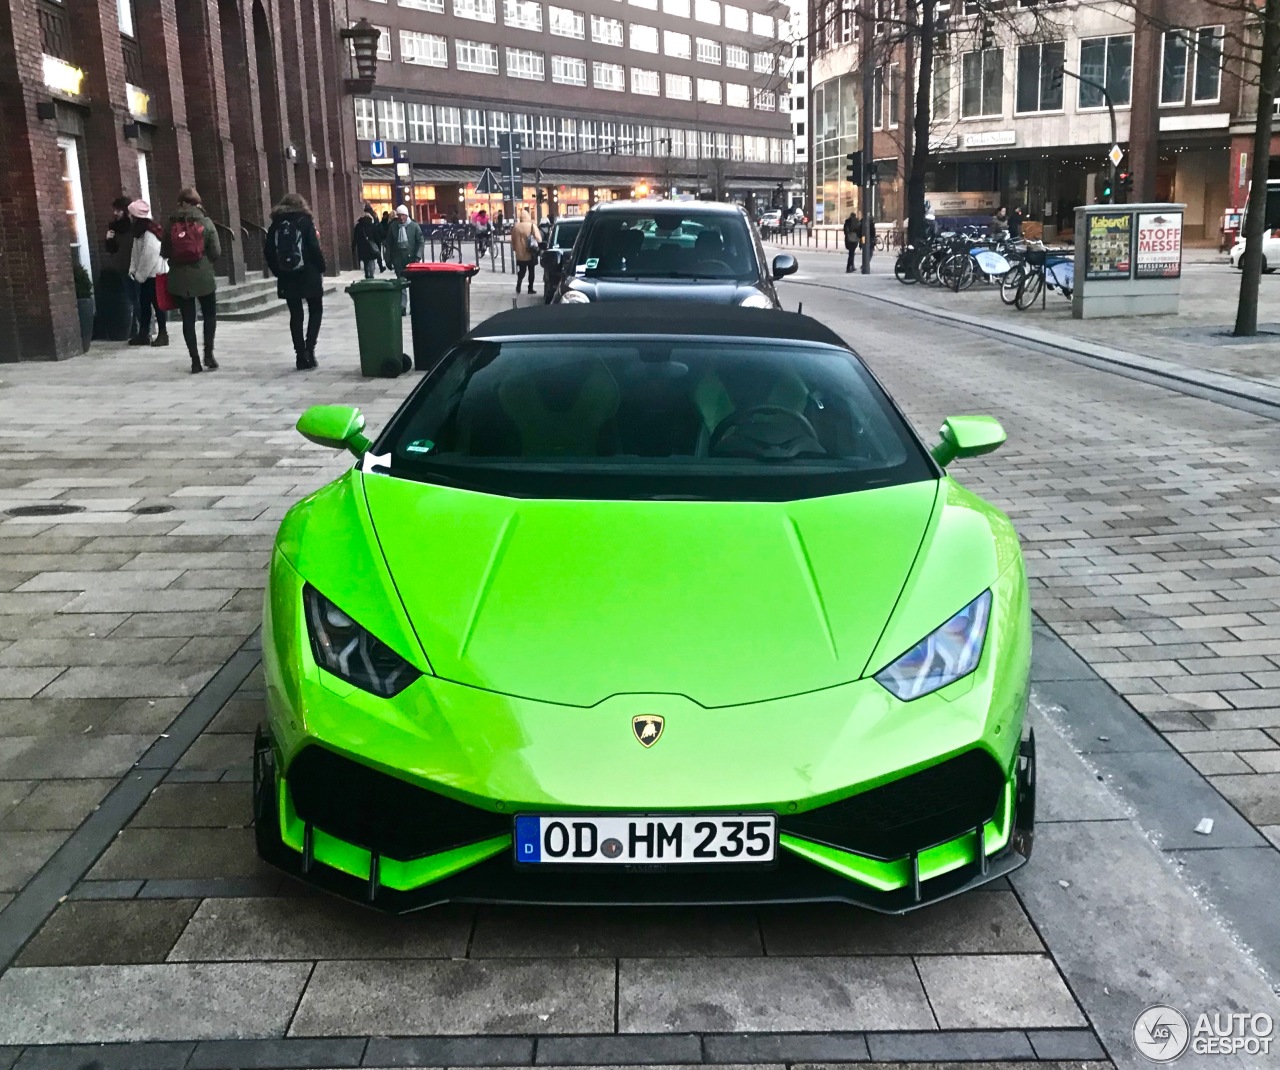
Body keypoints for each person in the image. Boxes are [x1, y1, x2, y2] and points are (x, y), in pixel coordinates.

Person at [265, 192, 328, 370]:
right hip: (309, 273)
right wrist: (321, 267)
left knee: (296, 314)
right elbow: (314, 248)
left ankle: (300, 355)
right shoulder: (305, 221)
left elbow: (268, 251)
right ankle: (310, 349)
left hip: (287, 275)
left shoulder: (276, 224)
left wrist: (278, 271)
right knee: (316, 309)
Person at [162, 187, 220, 374]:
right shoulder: (206, 222)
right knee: (209, 314)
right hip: (203, 275)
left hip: (179, 279)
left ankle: (194, 360)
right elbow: (216, 252)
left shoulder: (170, 223)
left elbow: (165, 252)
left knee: (188, 318)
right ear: (197, 202)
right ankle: (208, 354)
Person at [126, 199, 168, 348]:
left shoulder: (149, 233)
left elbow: (149, 256)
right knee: (145, 305)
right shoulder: (141, 232)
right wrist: (133, 270)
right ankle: (144, 333)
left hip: (153, 275)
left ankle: (163, 334)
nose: (129, 217)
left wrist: (139, 275)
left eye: (131, 215)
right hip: (146, 276)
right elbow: (135, 254)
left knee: (158, 305)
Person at [102, 196, 137, 339]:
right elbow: (111, 249)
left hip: (133, 266)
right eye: (114, 210)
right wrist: (108, 239)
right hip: (123, 265)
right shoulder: (113, 227)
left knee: (136, 298)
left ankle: (139, 328)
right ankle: (135, 329)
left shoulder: (133, 227)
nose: (115, 213)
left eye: (118, 210)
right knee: (132, 297)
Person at [382, 204, 424, 315]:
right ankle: (402, 306)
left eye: (404, 216)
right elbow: (389, 244)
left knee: (413, 284)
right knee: (401, 284)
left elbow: (420, 242)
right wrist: (388, 260)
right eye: (399, 216)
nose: (401, 218)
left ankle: (414, 306)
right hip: (398, 260)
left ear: (407, 216)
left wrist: (417, 256)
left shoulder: (414, 227)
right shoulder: (393, 227)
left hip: (412, 260)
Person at [510, 209, 542, 295]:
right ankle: (530, 288)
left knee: (522, 270)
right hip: (531, 253)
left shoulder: (516, 227)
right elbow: (539, 238)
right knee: (531, 271)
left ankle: (519, 283)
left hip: (520, 254)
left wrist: (515, 249)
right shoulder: (532, 226)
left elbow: (513, 240)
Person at [352, 208, 382, 279]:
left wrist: (353, 247)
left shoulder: (358, 226)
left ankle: (367, 274)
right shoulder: (372, 226)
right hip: (370, 247)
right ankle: (371, 275)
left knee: (365, 262)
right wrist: (378, 246)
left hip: (362, 247)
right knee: (371, 261)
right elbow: (377, 237)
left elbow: (355, 238)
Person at [843, 209, 861, 273]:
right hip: (855, 239)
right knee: (851, 254)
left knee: (851, 253)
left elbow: (845, 231)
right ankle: (849, 267)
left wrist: (847, 236)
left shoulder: (847, 222)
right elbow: (859, 231)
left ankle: (851, 266)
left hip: (849, 239)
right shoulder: (857, 222)